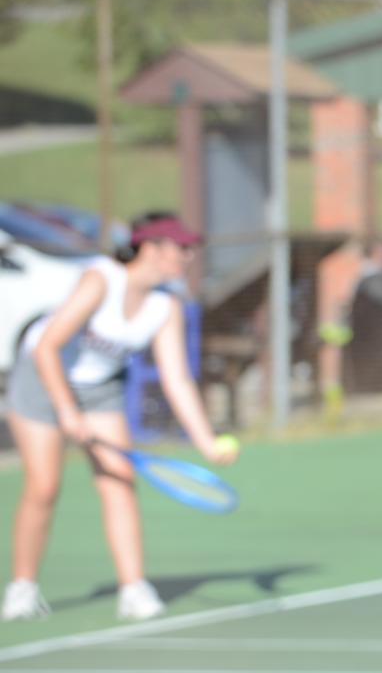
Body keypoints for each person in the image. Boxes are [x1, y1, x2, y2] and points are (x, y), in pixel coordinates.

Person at [4, 213, 238, 622]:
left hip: (100, 390)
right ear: (150, 248)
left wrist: (205, 440)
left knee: (119, 481)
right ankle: (22, 589)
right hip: (42, 378)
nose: (188, 255)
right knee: (44, 486)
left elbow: (177, 379)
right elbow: (47, 348)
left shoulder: (167, 305)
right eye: (180, 248)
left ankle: (133, 590)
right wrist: (66, 410)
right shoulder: (100, 280)